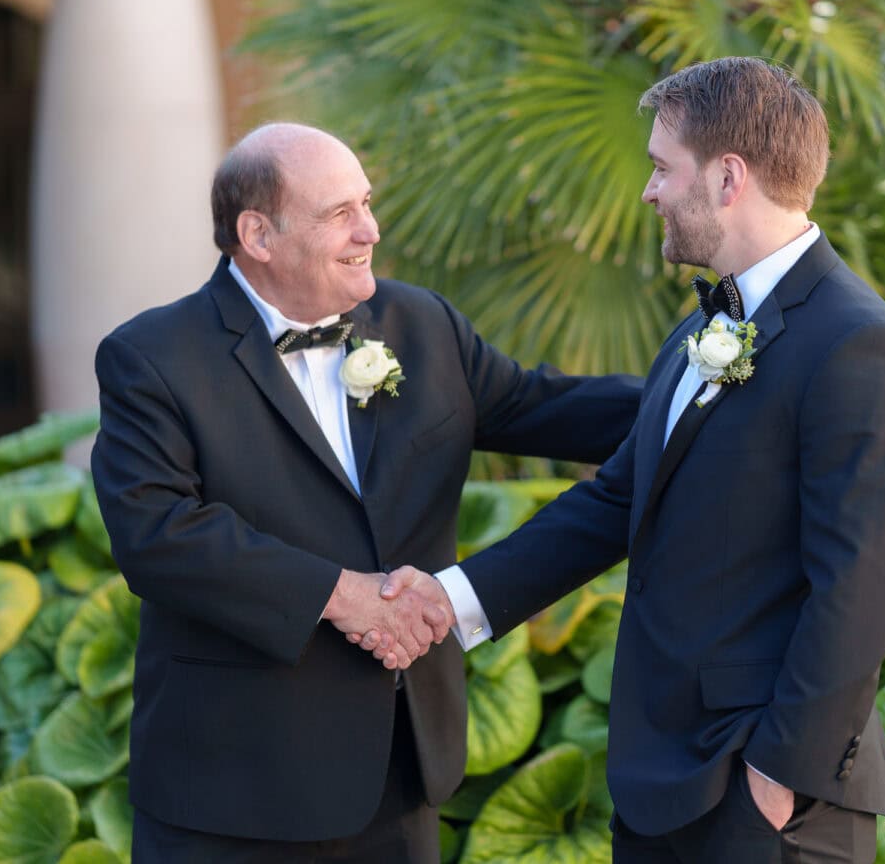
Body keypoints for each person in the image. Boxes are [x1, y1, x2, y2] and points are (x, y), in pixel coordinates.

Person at [372, 58, 885, 863]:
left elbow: (864, 586)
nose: (650, 191)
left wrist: (780, 777)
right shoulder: (695, 335)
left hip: (769, 799)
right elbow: (613, 503)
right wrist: (449, 602)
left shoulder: (863, 348)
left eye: (662, 169)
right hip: (663, 785)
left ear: (727, 178)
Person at [90, 123, 640, 863]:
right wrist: (342, 594)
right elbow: (158, 536)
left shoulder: (422, 325)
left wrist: (715, 388)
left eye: (368, 204)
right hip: (234, 789)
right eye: (339, 213)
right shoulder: (152, 357)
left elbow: (547, 407)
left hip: (400, 770)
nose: (370, 230)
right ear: (258, 233)